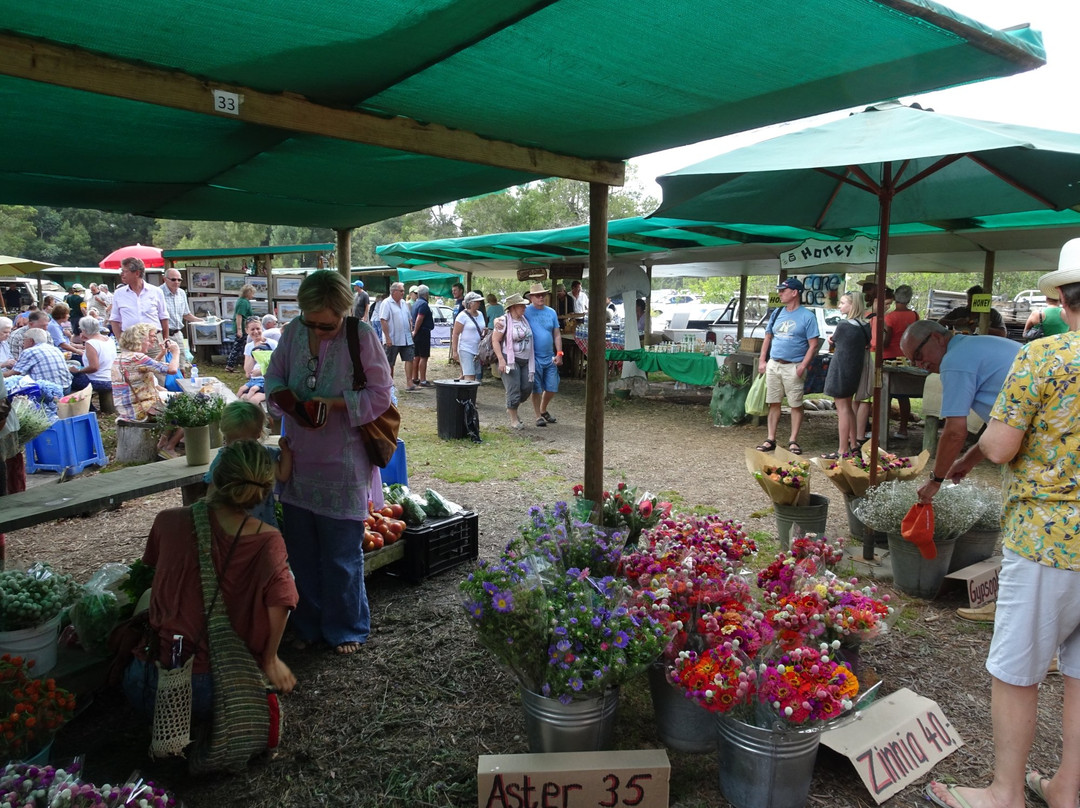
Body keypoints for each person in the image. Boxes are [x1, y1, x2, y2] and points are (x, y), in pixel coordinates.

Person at [924, 242, 1080, 808]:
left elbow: (997, 444)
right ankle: (1067, 787)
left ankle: (1005, 792)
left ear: (1062, 298)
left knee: (1018, 668)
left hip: (1048, 537)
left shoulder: (1043, 356)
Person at [265, 270, 394, 656]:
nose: (320, 331)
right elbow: (272, 379)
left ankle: (347, 627)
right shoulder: (291, 333)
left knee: (341, 555)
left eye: (328, 324)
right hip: (299, 458)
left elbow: (382, 394)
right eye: (312, 323)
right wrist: (290, 402)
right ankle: (307, 624)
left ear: (343, 312)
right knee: (301, 552)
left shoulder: (363, 336)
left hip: (344, 460)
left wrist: (333, 404)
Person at [121, 440, 298, 719]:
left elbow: (161, 579)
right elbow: (282, 602)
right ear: (262, 491)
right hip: (215, 687)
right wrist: (271, 659)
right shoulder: (268, 539)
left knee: (146, 595)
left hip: (147, 682)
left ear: (215, 475)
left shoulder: (166, 520)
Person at [899, 319, 1019, 508]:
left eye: (919, 355)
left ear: (937, 338)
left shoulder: (954, 360)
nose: (920, 364)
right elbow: (1000, 428)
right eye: (913, 362)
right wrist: (966, 461)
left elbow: (955, 431)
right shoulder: (974, 346)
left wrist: (935, 480)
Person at [755, 278, 820, 456]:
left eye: (783, 291)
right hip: (775, 363)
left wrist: (803, 365)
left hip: (794, 365)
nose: (780, 294)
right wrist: (763, 360)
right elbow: (768, 337)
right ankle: (770, 438)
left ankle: (793, 440)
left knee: (795, 403)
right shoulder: (777, 313)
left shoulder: (807, 316)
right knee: (773, 402)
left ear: (795, 292)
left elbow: (813, 344)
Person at [203, 401, 292, 527]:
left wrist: (286, 451)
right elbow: (212, 491)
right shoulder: (223, 458)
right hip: (235, 523)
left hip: (259, 523)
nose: (239, 449)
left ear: (258, 434)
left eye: (244, 442)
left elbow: (282, 474)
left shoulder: (264, 454)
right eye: (232, 441)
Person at [111, 323, 183, 457]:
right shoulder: (138, 358)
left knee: (179, 399)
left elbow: (147, 367)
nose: (154, 340)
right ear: (139, 338)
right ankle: (168, 446)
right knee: (189, 406)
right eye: (151, 337)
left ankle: (165, 440)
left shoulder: (123, 357)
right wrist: (176, 352)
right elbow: (172, 370)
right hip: (139, 410)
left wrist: (162, 353)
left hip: (127, 407)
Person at [821, 291, 871, 458]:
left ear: (852, 305)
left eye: (843, 303)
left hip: (841, 369)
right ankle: (854, 443)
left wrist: (831, 340)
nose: (840, 306)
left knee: (842, 409)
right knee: (848, 408)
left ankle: (842, 449)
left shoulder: (844, 325)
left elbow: (834, 340)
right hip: (854, 370)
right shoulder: (865, 325)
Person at [881, 284, 919, 438]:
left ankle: (883, 429)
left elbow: (886, 340)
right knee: (903, 395)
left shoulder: (890, 317)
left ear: (895, 297)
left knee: (886, 395)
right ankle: (903, 428)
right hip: (905, 357)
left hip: (888, 356)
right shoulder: (914, 315)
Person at [523, 282, 562, 428]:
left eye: (543, 295)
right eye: (538, 295)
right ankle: (538, 416)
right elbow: (508, 317)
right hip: (534, 357)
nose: (541, 297)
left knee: (552, 386)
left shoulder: (551, 312)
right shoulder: (525, 311)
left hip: (550, 355)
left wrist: (559, 353)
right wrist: (497, 321)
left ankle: (543, 408)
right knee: (537, 388)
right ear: (531, 297)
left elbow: (557, 334)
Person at [492, 293, 533, 429]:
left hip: (526, 360)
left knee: (527, 387)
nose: (524, 308)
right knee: (513, 388)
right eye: (521, 305)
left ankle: (512, 406)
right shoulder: (503, 321)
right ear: (513, 307)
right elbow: (495, 340)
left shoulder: (524, 320)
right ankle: (514, 419)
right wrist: (501, 360)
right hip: (510, 360)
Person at [110, 257, 170, 342]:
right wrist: (120, 341)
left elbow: (164, 317)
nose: (122, 274)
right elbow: (114, 319)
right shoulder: (119, 293)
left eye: (125, 271)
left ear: (137, 273)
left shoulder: (156, 292)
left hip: (153, 340)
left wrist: (165, 340)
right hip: (129, 341)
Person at [3, 328, 73, 392]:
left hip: (48, 390)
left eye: (24, 340)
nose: (23, 343)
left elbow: (14, 373)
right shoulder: (55, 349)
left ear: (31, 341)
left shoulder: (30, 351)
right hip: (67, 387)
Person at [69, 316, 117, 403]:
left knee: (70, 379)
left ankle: (86, 406)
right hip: (111, 377)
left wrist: (79, 371)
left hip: (100, 381)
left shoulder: (91, 343)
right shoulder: (109, 340)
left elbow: (94, 367)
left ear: (83, 330)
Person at [379, 281, 417, 390]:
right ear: (394, 292)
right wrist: (387, 337)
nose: (403, 293)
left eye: (403, 291)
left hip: (406, 338)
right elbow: (383, 320)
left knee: (409, 358)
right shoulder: (386, 303)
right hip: (393, 338)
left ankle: (409, 383)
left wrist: (410, 331)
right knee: (390, 362)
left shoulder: (404, 303)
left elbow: (409, 318)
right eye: (401, 291)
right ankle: (389, 384)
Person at [160, 268, 203, 356]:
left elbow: (186, 315)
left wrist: (204, 321)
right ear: (165, 279)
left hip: (178, 334)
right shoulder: (158, 293)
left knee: (182, 364)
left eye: (179, 280)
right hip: (162, 335)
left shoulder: (182, 293)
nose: (176, 282)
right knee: (166, 365)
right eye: (173, 279)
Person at [939, 284, 1008, 337]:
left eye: (974, 300)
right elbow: (940, 322)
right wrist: (954, 322)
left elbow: (1003, 333)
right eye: (969, 300)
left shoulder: (992, 314)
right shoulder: (959, 311)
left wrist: (982, 328)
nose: (970, 303)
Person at [238, 317, 277, 406]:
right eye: (252, 329)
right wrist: (254, 352)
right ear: (247, 331)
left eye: (258, 329)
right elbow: (248, 373)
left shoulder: (272, 344)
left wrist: (261, 372)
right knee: (242, 398)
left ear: (262, 329)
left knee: (253, 401)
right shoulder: (248, 346)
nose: (256, 332)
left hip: (269, 382)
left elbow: (280, 366)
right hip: (254, 381)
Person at [451, 291, 486, 382]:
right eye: (477, 301)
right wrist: (455, 351)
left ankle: (469, 395)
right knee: (469, 376)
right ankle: (467, 395)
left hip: (478, 350)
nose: (479, 303)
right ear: (470, 303)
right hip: (466, 349)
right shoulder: (462, 316)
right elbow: (455, 334)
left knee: (474, 376)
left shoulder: (480, 314)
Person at [224, 284, 257, 373]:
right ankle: (230, 365)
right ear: (248, 293)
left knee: (240, 346)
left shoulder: (244, 301)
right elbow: (239, 315)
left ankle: (237, 364)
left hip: (245, 327)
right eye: (252, 293)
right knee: (237, 346)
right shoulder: (243, 302)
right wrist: (239, 329)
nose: (253, 295)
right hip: (242, 327)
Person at [411, 285, 434, 387]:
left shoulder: (416, 303)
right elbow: (420, 318)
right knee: (424, 357)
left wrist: (414, 332)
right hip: (423, 332)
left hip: (417, 333)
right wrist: (415, 331)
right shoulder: (424, 304)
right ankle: (423, 380)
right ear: (426, 294)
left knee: (416, 356)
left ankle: (415, 378)